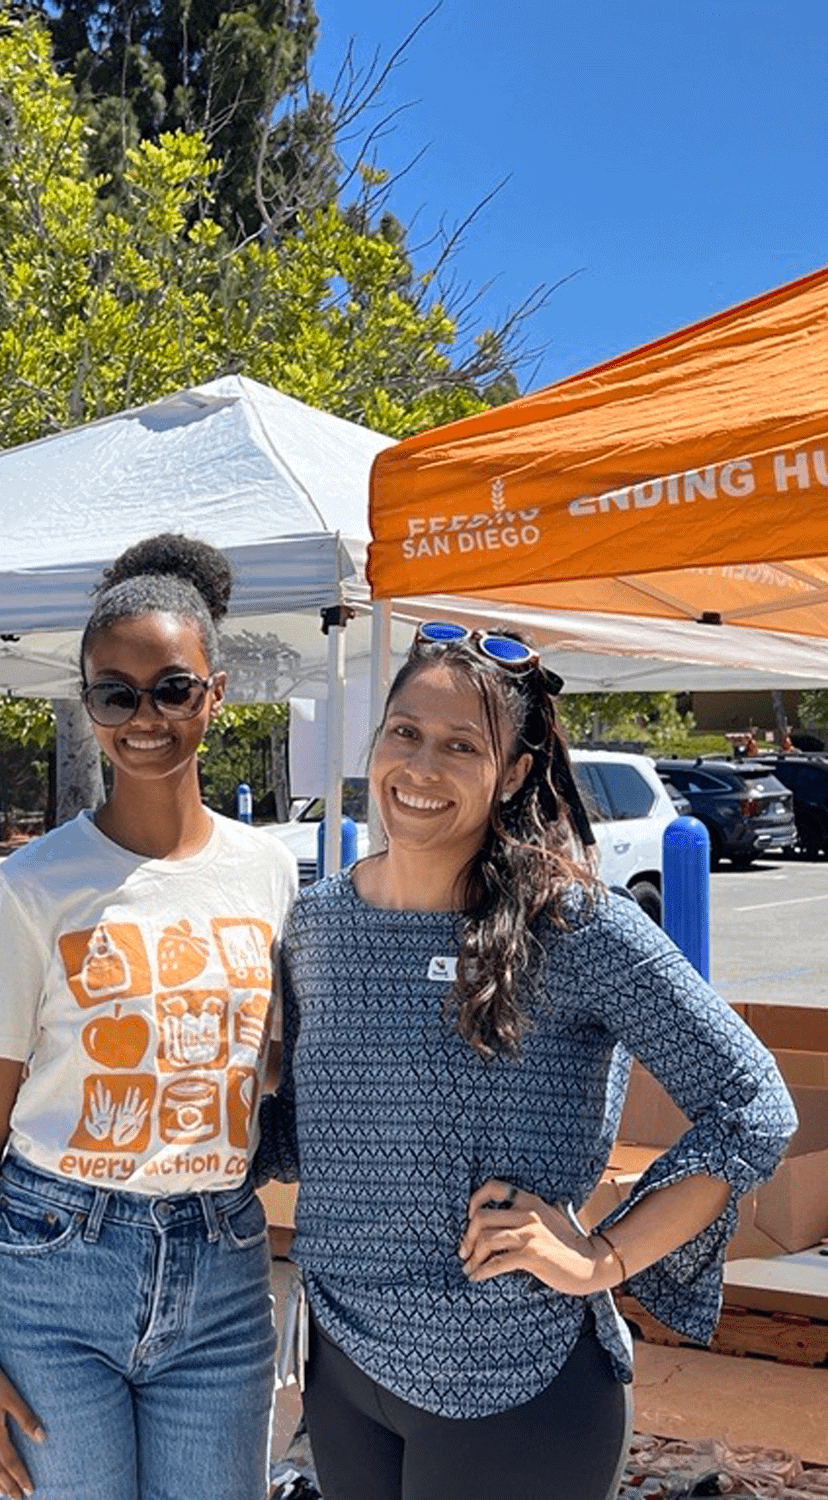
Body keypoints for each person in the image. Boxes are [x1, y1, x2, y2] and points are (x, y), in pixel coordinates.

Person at [258, 623, 797, 1500]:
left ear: (511, 773)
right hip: (345, 1365)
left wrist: (605, 1259)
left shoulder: (575, 927)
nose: (422, 767)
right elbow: (310, 1131)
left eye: (461, 745)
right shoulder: (318, 925)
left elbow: (754, 1103)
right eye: (405, 732)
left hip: (518, 1380)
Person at [0, 535, 297, 1500]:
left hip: (221, 1267)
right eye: (116, 694)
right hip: (52, 1267)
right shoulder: (33, 886)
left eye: (173, 689)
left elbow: (272, 1069)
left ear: (215, 696)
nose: (147, 718)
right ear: (89, 706)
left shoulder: (269, 872)